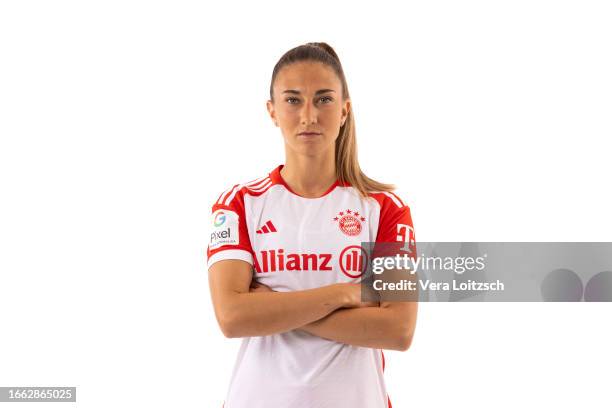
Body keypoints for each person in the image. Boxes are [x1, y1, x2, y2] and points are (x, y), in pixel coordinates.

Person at [207, 42, 417, 408]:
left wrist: (272, 309)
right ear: (272, 111)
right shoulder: (239, 204)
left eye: (323, 99)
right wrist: (343, 294)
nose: (308, 115)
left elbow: (398, 330)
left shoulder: (385, 209)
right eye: (292, 100)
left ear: (344, 110)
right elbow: (232, 317)